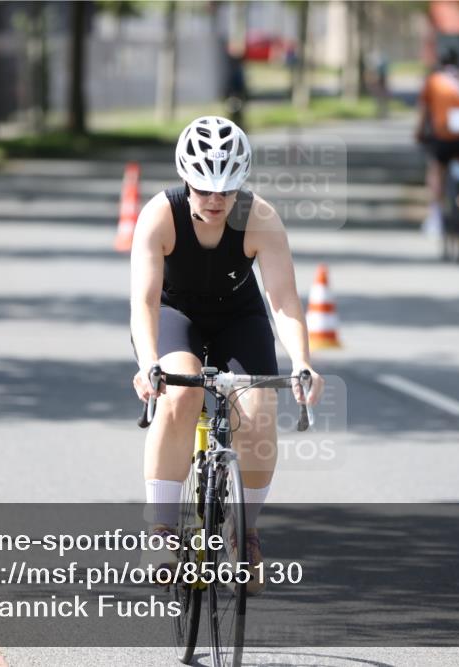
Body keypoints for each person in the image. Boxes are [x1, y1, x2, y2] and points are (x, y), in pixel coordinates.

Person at [130, 116, 324, 595]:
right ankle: (160, 529)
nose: (215, 201)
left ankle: (245, 531)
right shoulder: (160, 215)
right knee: (179, 396)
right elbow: (144, 301)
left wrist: (302, 361)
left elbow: (283, 300)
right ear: (185, 180)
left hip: (239, 317)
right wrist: (148, 362)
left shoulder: (260, 218)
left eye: (227, 191)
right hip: (175, 315)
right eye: (204, 190)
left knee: (258, 411)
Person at [416, 46, 459, 235]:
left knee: (436, 170)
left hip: (444, 135)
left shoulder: (433, 81)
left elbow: (424, 111)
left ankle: (435, 217)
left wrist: (419, 133)